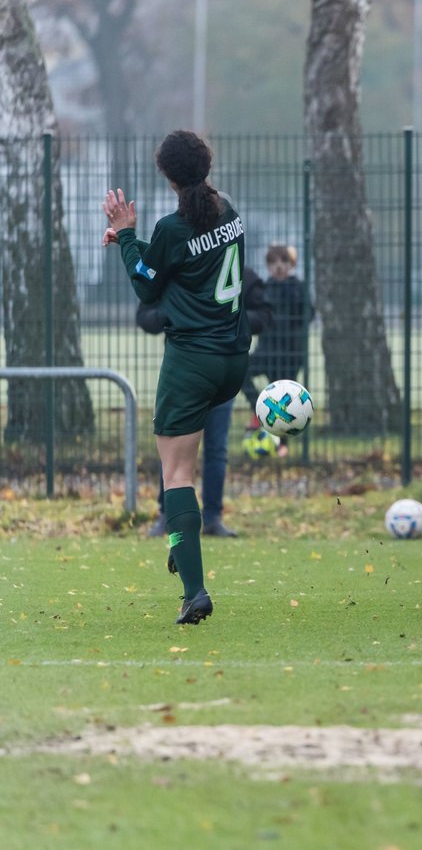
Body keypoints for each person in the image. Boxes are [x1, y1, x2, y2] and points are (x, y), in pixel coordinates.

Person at [102, 129, 251, 625]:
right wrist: (137, 244)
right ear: (205, 166)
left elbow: (148, 287)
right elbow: (186, 261)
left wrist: (126, 234)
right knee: (186, 466)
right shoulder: (227, 210)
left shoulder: (171, 226)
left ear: (166, 175)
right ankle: (181, 542)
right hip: (232, 358)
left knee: (176, 475)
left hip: (192, 361)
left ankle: (194, 591)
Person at [139, 267, 271, 538]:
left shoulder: (239, 270)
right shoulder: (175, 268)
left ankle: (213, 518)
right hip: (182, 376)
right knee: (173, 451)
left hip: (221, 373)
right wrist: (173, 314)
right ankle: (168, 517)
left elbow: (265, 316)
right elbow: (146, 317)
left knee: (216, 449)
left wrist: (232, 316)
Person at [241, 243, 310, 457]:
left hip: (290, 354)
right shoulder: (264, 288)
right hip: (266, 351)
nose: (279, 267)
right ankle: (257, 409)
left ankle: (282, 445)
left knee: (285, 401)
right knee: (241, 372)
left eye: (283, 262)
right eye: (273, 262)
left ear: (291, 264)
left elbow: (308, 314)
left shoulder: (298, 288)